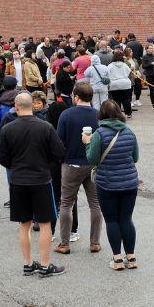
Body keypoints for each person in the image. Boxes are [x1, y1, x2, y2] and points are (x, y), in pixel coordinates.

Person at [0, 92, 66, 277]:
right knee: (45, 224)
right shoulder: (45, 127)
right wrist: (45, 164)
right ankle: (45, 265)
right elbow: (59, 153)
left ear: (16, 107)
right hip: (41, 179)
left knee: (24, 224)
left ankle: (27, 263)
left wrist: (14, 165)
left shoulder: (7, 129)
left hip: (18, 180)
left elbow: (0, 156)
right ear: (33, 106)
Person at [84, 99, 139, 270]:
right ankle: (131, 257)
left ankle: (117, 259)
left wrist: (87, 143)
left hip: (107, 183)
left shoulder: (98, 134)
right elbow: (135, 157)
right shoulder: (129, 132)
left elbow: (92, 159)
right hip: (130, 182)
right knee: (126, 219)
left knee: (112, 220)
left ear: (101, 115)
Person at [53, 82, 103, 254]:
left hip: (71, 163)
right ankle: (95, 242)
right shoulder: (98, 115)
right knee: (95, 204)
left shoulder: (66, 114)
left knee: (66, 203)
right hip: (93, 164)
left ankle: (64, 243)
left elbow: (59, 140)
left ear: (76, 96)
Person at [108, 49, 133, 116]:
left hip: (114, 85)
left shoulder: (110, 66)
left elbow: (108, 74)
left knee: (116, 101)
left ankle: (118, 114)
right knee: (126, 100)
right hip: (125, 84)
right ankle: (128, 113)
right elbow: (128, 72)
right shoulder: (124, 65)